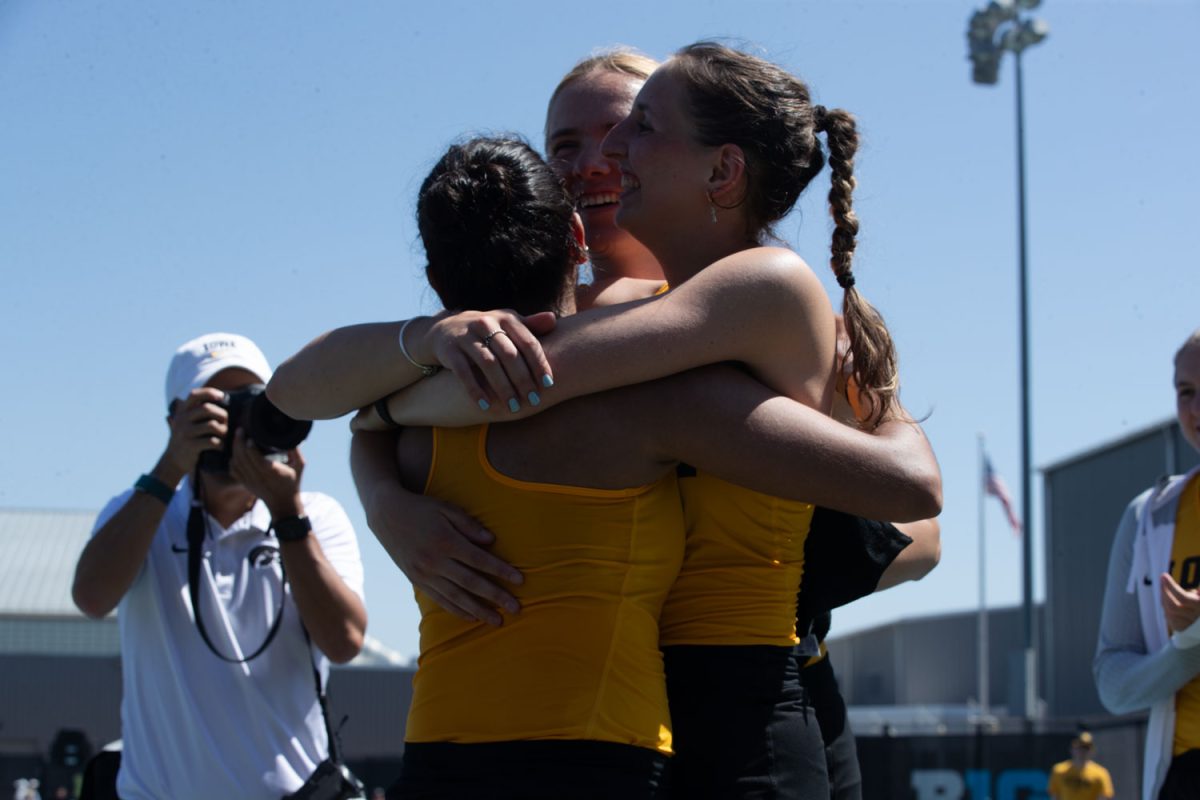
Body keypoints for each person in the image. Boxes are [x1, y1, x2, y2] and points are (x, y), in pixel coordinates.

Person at [339, 136, 936, 799]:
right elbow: (905, 489)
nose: (602, 162)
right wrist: (868, 396)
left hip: (458, 759)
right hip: (614, 754)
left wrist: (379, 441)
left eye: (635, 133)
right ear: (573, 231)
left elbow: (310, 393)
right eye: (565, 143)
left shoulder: (417, 405)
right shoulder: (649, 401)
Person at [71, 333, 367, 800]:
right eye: (217, 407)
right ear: (176, 418)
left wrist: (287, 516)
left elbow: (344, 642)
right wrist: (169, 468)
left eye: (249, 405)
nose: (235, 425)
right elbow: (91, 597)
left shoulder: (314, 515)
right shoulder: (139, 510)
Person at [1095, 328, 1200, 800]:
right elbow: (1114, 684)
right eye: (1186, 392)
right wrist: (1188, 647)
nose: (1196, 409)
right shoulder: (1149, 514)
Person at [1047, 732, 1114, 800]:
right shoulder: (1059, 770)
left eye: (1086, 748)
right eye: (1079, 747)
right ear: (1072, 749)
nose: (1082, 751)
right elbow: (1055, 795)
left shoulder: (1101, 773)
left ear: (1092, 751)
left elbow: (1104, 796)